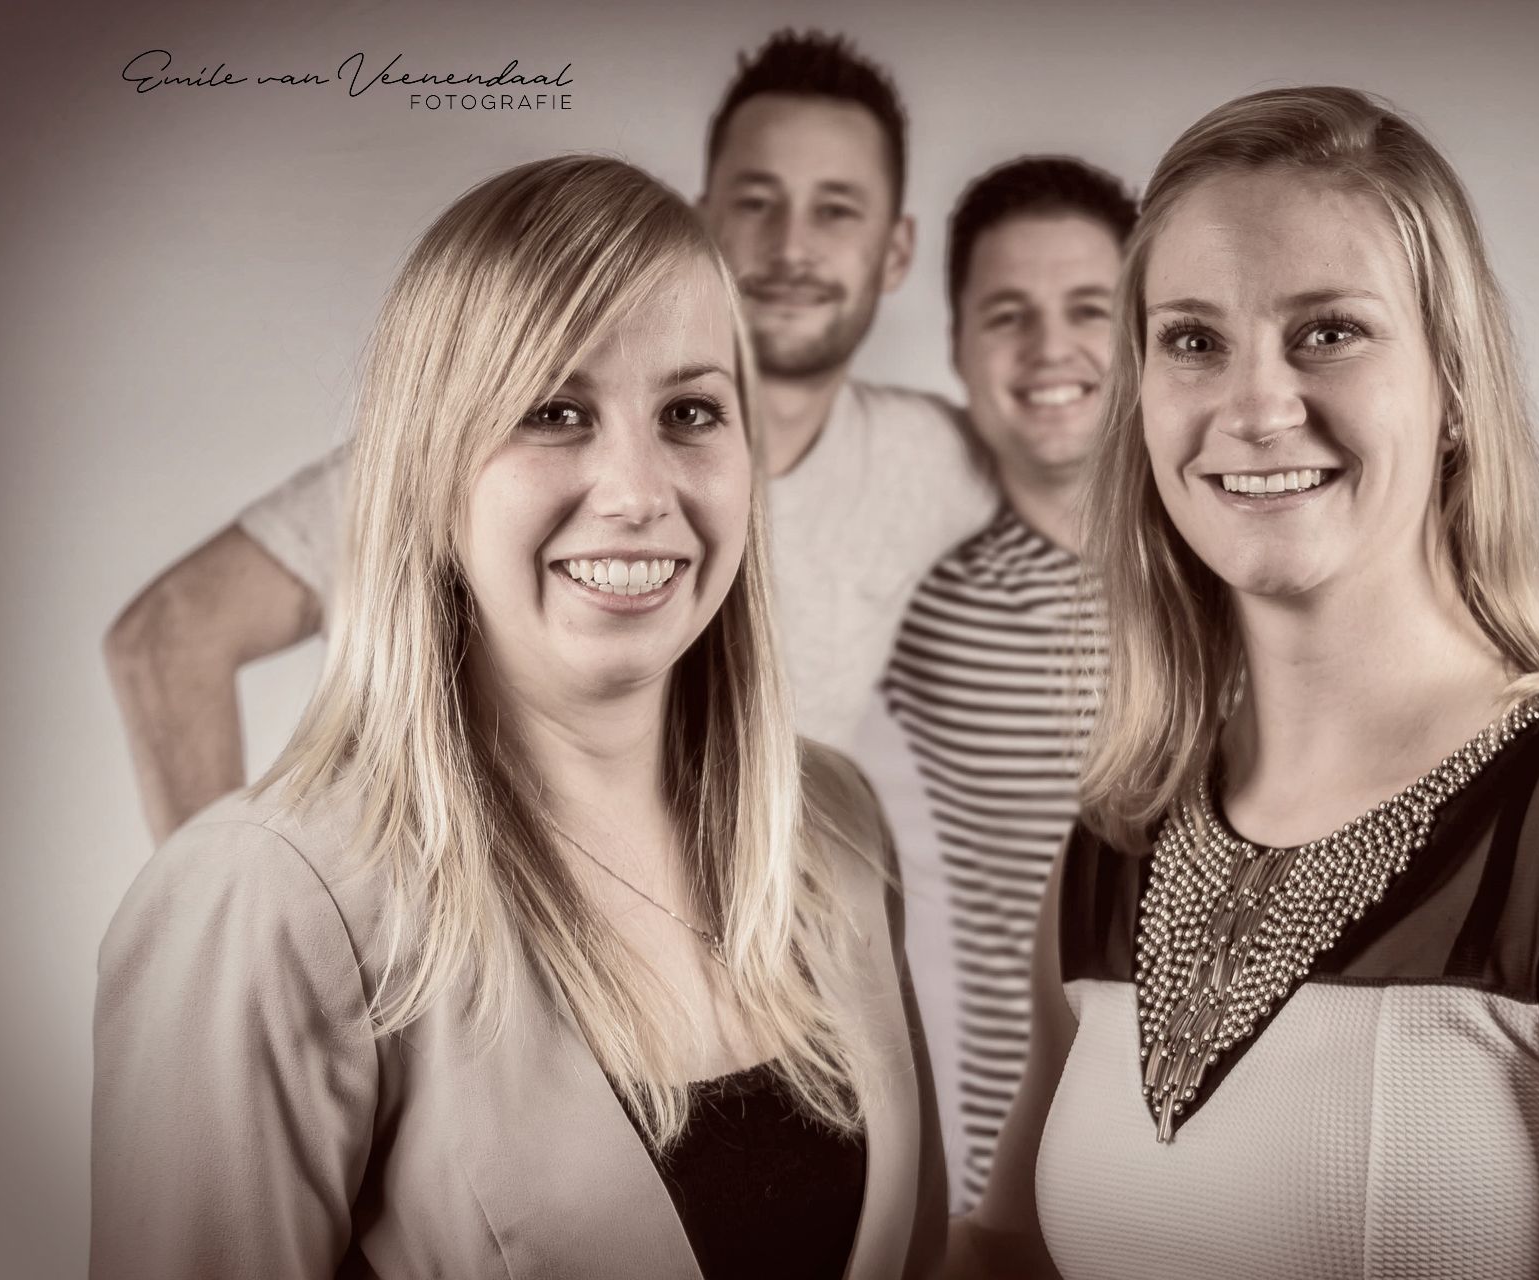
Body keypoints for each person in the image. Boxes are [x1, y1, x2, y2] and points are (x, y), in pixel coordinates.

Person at [955, 88, 1539, 1278]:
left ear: (1455, 386)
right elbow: (1007, 1255)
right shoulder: (1116, 842)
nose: (1254, 407)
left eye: (1329, 331)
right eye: (1193, 341)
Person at [92, 156, 945, 1279]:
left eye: (691, 412)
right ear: (428, 471)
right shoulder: (266, 900)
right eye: (554, 412)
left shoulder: (832, 821)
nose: (638, 492)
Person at [103, 29, 994, 840]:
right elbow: (168, 636)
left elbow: (1062, 482)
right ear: (703, 222)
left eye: (836, 209)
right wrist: (224, 908)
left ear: (896, 251)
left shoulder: (935, 458)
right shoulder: (475, 452)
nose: (791, 246)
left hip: (733, 932)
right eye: (757, 201)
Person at [880, 156, 1133, 1210]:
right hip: (998, 1179)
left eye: (1089, 309)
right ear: (957, 347)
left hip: (1235, 1168)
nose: (1048, 348)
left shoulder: (1250, 574)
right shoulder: (912, 591)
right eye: (1007, 314)